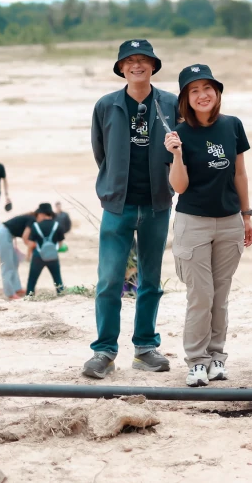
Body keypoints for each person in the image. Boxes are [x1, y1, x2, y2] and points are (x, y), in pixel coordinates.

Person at [84, 39, 178, 380]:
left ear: (154, 66)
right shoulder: (107, 105)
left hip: (157, 204)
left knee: (150, 280)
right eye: (130, 61)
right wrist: (113, 184)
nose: (137, 65)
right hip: (117, 205)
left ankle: (145, 348)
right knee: (109, 280)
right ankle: (104, 352)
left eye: (144, 60)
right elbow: (100, 150)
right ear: (121, 68)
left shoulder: (171, 103)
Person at [165, 64, 252, 387]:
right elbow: (179, 187)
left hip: (230, 222)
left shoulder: (233, 126)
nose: (202, 95)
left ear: (217, 93)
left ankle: (217, 357)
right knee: (200, 295)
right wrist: (176, 155)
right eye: (194, 90)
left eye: (208, 88)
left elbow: (240, 174)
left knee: (220, 295)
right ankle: (196, 361)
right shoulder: (179, 135)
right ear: (185, 99)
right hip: (193, 223)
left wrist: (246, 215)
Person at [0, 205, 44, 299]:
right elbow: (25, 238)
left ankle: (17, 288)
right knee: (7, 266)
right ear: (40, 215)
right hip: (3, 236)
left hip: (5, 235)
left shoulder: (31, 218)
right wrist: (33, 245)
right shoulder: (32, 220)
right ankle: (9, 293)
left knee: (14, 262)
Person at [24, 203, 66, 295]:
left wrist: (28, 256)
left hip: (38, 256)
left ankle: (29, 297)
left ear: (42, 214)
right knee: (57, 280)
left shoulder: (36, 226)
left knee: (32, 280)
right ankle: (62, 295)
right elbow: (60, 243)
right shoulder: (57, 225)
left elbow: (31, 244)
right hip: (53, 257)